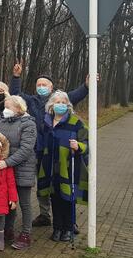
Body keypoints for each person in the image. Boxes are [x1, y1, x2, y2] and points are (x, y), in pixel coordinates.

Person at [10, 62, 90, 228]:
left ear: (51, 87)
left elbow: (76, 95)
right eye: (38, 85)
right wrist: (16, 77)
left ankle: (68, 220)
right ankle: (44, 214)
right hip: (36, 151)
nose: (41, 87)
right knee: (43, 184)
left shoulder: (58, 100)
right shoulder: (31, 101)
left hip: (56, 150)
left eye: (44, 85)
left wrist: (86, 86)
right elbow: (15, 95)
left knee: (61, 185)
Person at [37, 91, 88, 242]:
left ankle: (68, 228)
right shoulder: (45, 123)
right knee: (54, 198)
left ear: (68, 105)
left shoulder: (76, 122)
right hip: (50, 167)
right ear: (51, 105)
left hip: (68, 167)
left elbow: (87, 143)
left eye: (63, 102)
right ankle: (57, 228)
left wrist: (78, 146)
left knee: (67, 198)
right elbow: (39, 145)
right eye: (57, 102)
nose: (60, 105)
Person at [0, 96, 37, 249]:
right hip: (6, 169)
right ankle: (8, 230)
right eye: (4, 107)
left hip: (23, 168)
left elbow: (26, 149)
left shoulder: (28, 124)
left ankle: (26, 234)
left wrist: (7, 162)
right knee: (8, 201)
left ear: (18, 108)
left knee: (24, 203)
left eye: (8, 107)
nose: (5, 110)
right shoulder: (3, 122)